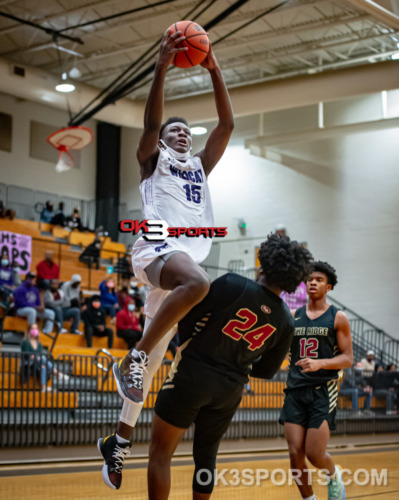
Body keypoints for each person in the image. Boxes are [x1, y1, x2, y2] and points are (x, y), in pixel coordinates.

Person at [97, 233, 313, 492]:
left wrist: (195, 347)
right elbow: (267, 371)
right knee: (206, 462)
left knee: (161, 454)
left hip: (191, 376)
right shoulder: (287, 321)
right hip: (229, 391)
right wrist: (237, 364)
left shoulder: (233, 283)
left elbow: (187, 316)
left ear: (262, 264)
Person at [112, 26, 234, 409]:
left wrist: (214, 69)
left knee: (151, 366)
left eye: (186, 131)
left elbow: (226, 125)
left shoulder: (199, 166)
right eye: (175, 131)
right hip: (156, 246)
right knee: (200, 283)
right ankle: (133, 355)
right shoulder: (153, 161)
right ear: (163, 141)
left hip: (182, 257)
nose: (182, 135)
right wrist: (161, 66)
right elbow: (151, 125)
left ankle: (118, 440)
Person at [279, 261, 353, 500]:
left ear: (328, 286)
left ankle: (334, 476)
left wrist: (320, 363)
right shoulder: (292, 317)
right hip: (295, 391)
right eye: (310, 279)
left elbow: (348, 358)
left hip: (323, 390)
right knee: (294, 453)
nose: (313, 282)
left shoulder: (338, 317)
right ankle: (309, 499)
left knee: (313, 453)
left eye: (319, 279)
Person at [20, 323, 69, 392]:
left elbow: (39, 353)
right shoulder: (25, 342)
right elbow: (26, 354)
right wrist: (34, 356)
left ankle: (43, 388)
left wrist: (37, 357)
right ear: (29, 330)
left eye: (36, 328)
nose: (34, 330)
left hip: (38, 363)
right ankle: (57, 373)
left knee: (43, 366)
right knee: (43, 359)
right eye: (32, 328)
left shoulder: (38, 343)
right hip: (28, 364)